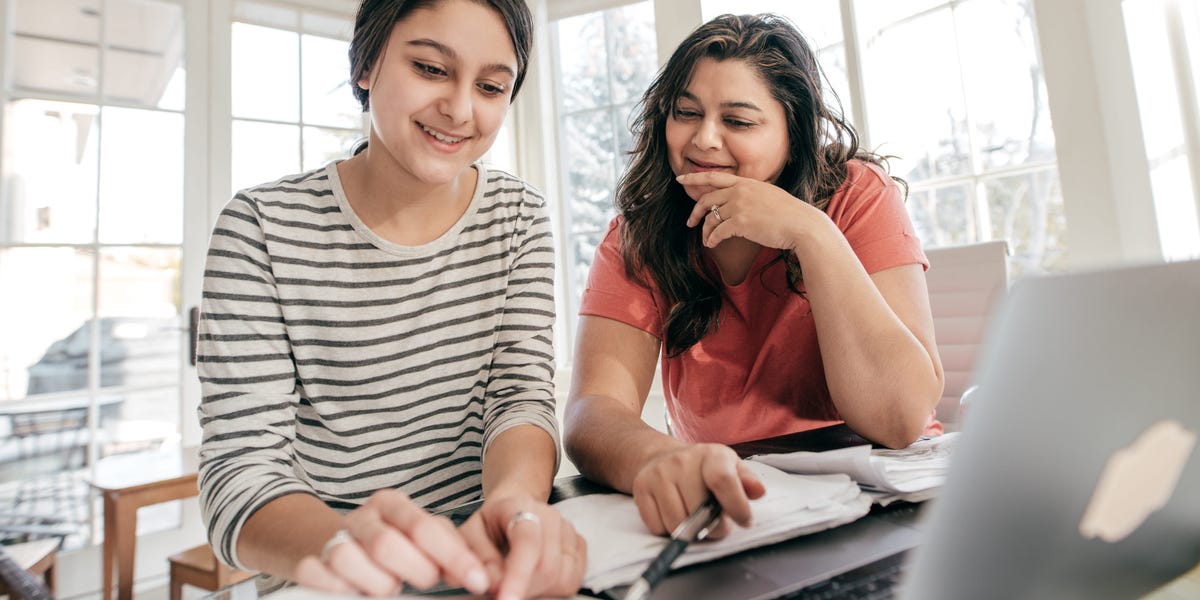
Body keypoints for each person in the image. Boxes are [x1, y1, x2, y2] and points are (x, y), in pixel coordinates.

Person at [195, 1, 585, 598]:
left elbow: (519, 396)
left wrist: (514, 503)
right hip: (336, 578)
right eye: (431, 68)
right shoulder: (261, 227)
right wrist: (344, 540)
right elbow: (239, 473)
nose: (459, 108)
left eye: (489, 86)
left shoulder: (518, 217)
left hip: (486, 563)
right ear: (367, 64)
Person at [563, 13, 945, 541]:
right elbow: (592, 411)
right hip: (747, 507)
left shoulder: (858, 195)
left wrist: (811, 234)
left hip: (892, 499)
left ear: (795, 132)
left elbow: (898, 421)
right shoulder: (640, 234)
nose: (704, 140)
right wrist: (660, 458)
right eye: (686, 112)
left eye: (739, 122)